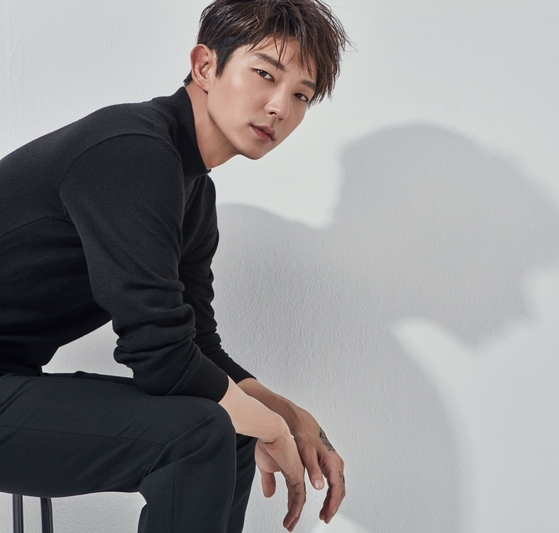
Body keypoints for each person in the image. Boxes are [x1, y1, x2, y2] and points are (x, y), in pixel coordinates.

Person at [0, 1, 349, 531]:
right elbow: (159, 356)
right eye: (264, 74)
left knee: (228, 423)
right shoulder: (132, 150)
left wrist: (285, 413)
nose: (280, 106)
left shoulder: (193, 195)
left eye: (301, 95)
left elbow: (194, 346)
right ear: (205, 66)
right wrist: (270, 428)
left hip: (12, 378)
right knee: (203, 432)